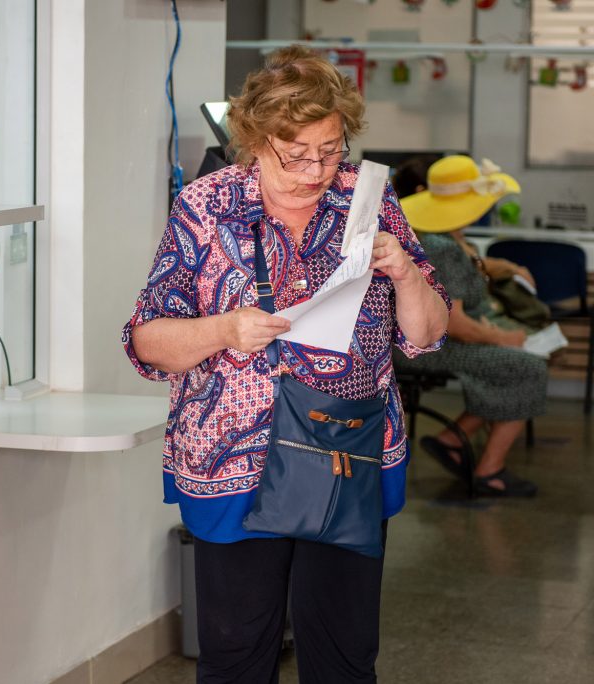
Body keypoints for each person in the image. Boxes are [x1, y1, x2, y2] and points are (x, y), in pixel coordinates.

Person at [122, 46, 449, 683]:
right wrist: (225, 329)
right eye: (295, 155)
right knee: (236, 657)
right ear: (254, 140)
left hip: (346, 454)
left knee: (345, 658)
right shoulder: (207, 206)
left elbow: (428, 336)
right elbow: (147, 341)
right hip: (233, 462)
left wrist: (406, 273)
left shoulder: (367, 198)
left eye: (330, 150)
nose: (316, 170)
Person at [394, 154, 547, 497]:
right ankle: (489, 470)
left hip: (425, 341)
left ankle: (453, 438)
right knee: (529, 368)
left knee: (523, 364)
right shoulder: (443, 248)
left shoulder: (443, 239)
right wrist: (503, 339)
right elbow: (455, 323)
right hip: (432, 347)